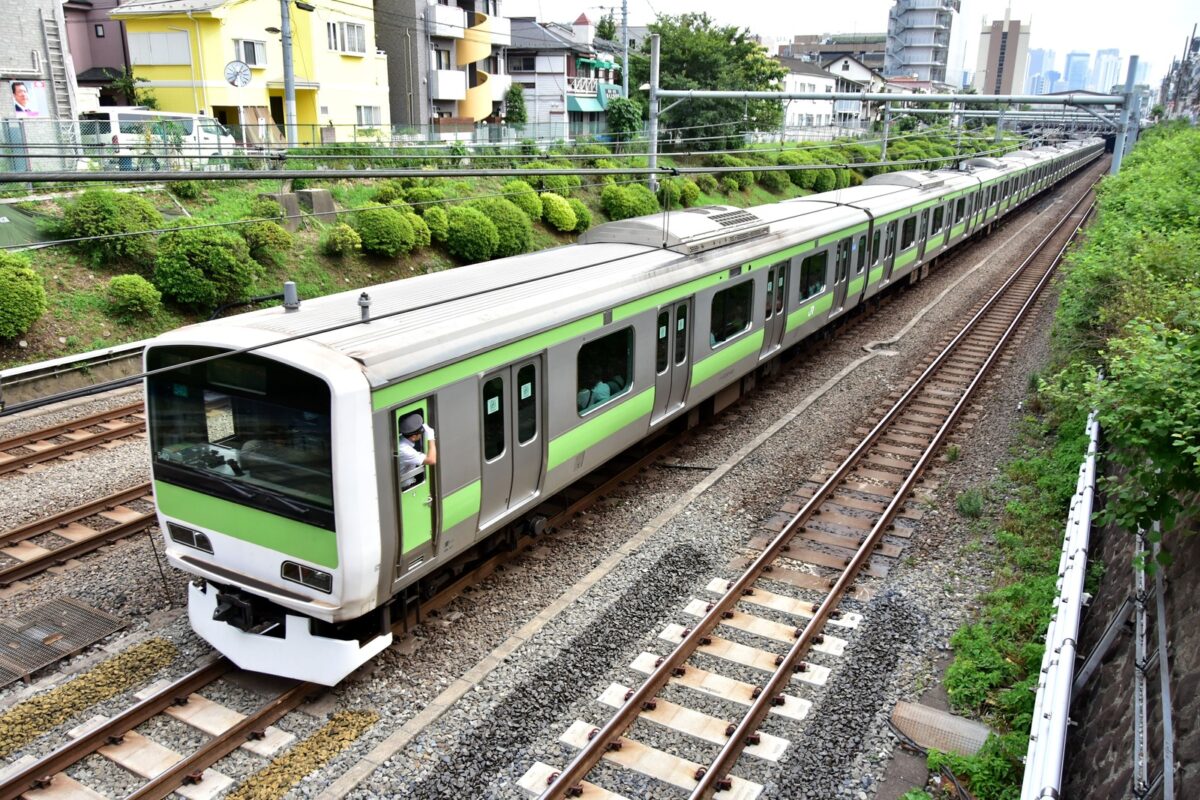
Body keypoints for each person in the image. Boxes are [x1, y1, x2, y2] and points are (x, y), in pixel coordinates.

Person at [397, 413, 436, 489]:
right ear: (413, 437)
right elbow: (432, 460)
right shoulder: (404, 450)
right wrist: (431, 437)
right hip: (405, 486)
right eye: (420, 433)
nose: (421, 435)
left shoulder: (401, 440)